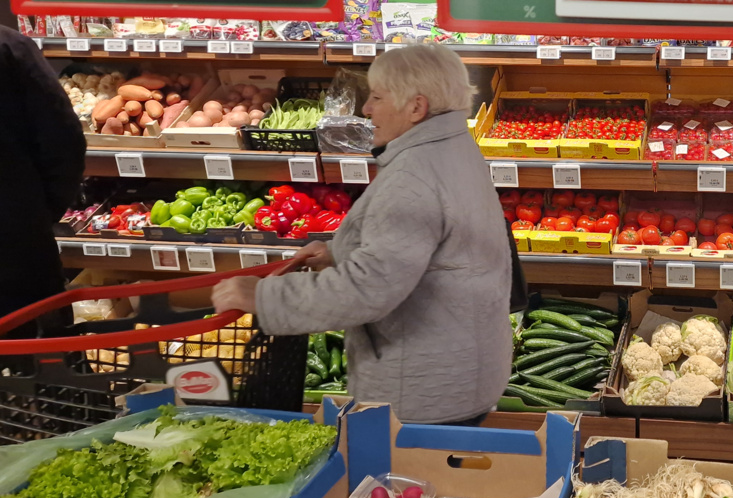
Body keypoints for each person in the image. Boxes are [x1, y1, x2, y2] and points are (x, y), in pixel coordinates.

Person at [212, 44, 512, 425]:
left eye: (376, 97)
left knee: (407, 480)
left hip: (422, 389)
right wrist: (343, 251)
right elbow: (432, 248)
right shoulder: (453, 147)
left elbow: (368, 289)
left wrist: (264, 296)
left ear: (416, 108)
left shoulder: (412, 177)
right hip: (461, 361)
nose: (366, 109)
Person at [0, 25, 87, 321]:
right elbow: (64, 138)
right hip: (14, 239)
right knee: (40, 348)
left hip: (17, 226)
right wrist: (38, 211)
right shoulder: (9, 47)